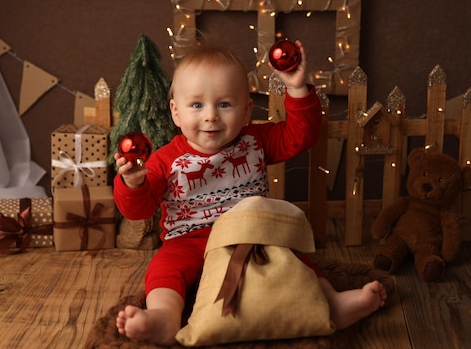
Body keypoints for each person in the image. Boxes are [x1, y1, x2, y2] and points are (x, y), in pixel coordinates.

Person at [113, 41, 387, 345]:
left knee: (290, 259)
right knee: (164, 269)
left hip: (251, 234)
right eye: (197, 105)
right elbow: (137, 211)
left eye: (224, 104)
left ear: (245, 112)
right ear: (176, 112)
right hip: (188, 240)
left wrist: (296, 89)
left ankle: (332, 304)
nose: (211, 116)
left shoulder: (255, 141)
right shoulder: (165, 159)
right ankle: (164, 318)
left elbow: (301, 136)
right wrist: (134, 184)